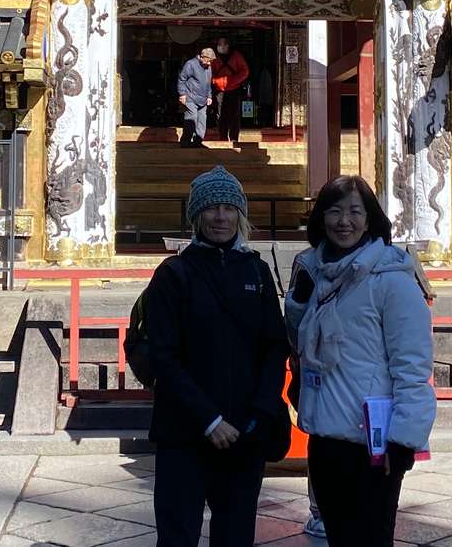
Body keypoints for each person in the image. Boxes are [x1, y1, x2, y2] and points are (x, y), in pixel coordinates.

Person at [284, 176, 434, 547]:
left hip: (373, 444)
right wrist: (298, 302)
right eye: (334, 211)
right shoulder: (314, 272)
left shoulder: (391, 279)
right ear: (321, 219)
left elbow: (412, 366)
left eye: (354, 211)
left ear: (370, 220)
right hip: (325, 436)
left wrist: (404, 439)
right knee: (338, 537)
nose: (343, 221)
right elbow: (301, 344)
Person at [144, 166, 290, 547]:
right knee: (178, 535)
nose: (221, 216)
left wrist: (260, 412)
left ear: (240, 214)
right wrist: (209, 420)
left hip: (245, 430)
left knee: (236, 534)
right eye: (211, 208)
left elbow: (275, 345)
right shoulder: (173, 275)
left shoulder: (256, 271)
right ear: (196, 215)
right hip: (185, 430)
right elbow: (164, 355)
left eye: (229, 207)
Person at [211, 35, 250, 145]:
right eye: (219, 45)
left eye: (223, 45)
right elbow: (209, 72)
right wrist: (215, 81)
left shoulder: (236, 56)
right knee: (220, 114)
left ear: (228, 45)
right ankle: (222, 136)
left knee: (234, 114)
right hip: (219, 90)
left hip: (234, 88)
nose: (221, 47)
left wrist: (233, 81)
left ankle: (234, 138)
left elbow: (245, 71)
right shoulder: (214, 57)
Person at [176, 46, 215, 147]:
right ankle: (186, 142)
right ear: (202, 57)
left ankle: (198, 141)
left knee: (202, 121)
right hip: (191, 97)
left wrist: (209, 96)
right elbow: (182, 79)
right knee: (191, 118)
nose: (210, 63)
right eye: (208, 61)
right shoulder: (191, 64)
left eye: (211, 61)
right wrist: (182, 94)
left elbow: (208, 83)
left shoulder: (208, 67)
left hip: (203, 99)